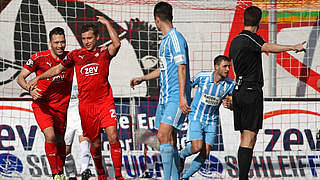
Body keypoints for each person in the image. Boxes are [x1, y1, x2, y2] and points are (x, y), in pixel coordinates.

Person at [28, 16, 124, 180]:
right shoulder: (75, 55)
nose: (86, 42)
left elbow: (117, 44)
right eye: (84, 39)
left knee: (113, 134)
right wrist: (39, 77)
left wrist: (108, 24)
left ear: (97, 38)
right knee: (94, 143)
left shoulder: (103, 53)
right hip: (86, 106)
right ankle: (100, 172)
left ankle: (118, 175)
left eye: (90, 38)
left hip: (105, 102)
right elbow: (58, 68)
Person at [228, 6, 306, 180]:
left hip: (238, 90)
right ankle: (242, 178)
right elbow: (267, 46)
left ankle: (242, 175)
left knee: (246, 137)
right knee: (249, 136)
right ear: (259, 22)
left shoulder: (235, 40)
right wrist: (292, 47)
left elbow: (233, 66)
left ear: (244, 20)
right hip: (250, 90)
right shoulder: (251, 38)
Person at [130, 2, 191, 180]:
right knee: (169, 139)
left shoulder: (175, 38)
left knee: (162, 134)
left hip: (175, 96)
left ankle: (168, 178)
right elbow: (163, 69)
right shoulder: (164, 41)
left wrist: (181, 97)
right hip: (165, 97)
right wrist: (142, 78)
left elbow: (182, 68)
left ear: (157, 19)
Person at [16, 27, 73, 180]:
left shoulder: (70, 58)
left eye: (62, 42)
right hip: (42, 106)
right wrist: (30, 89)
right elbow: (20, 78)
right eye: (56, 42)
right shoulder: (38, 58)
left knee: (61, 141)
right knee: (50, 136)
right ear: (50, 43)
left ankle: (60, 172)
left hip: (62, 106)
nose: (60, 45)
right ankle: (56, 173)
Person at [179, 55, 235, 180]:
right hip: (196, 116)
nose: (227, 69)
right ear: (216, 67)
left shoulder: (230, 84)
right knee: (197, 147)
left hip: (212, 120)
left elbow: (232, 102)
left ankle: (185, 177)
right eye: (225, 66)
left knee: (206, 152)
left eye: (229, 67)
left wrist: (230, 104)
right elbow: (186, 86)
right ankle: (181, 155)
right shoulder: (202, 77)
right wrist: (183, 100)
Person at [64, 72, 92, 180]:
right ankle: (71, 175)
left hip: (82, 112)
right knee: (65, 150)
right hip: (66, 115)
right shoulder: (59, 72)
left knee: (84, 144)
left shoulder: (83, 72)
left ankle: (85, 170)